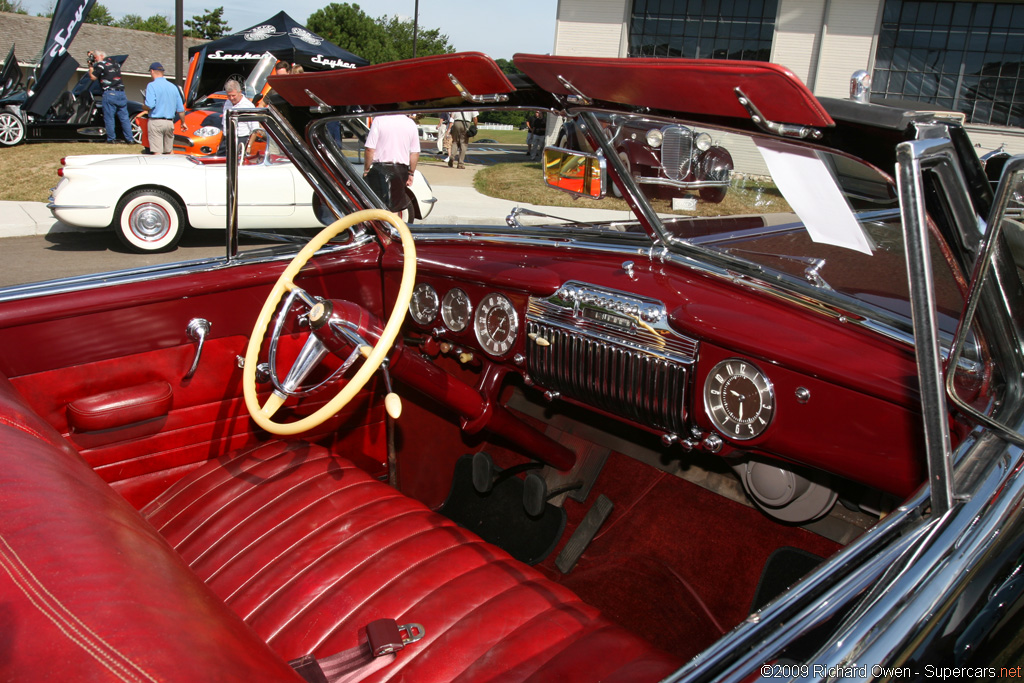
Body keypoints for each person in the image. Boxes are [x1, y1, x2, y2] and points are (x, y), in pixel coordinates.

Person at [362, 114, 420, 214]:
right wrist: (411, 172)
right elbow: (415, 152)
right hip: (401, 169)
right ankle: (392, 227)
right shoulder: (411, 124)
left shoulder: (379, 120)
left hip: (380, 168)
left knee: (376, 206)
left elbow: (370, 149)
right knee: (394, 208)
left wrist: (366, 169)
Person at [88, 50, 134, 144]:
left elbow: (93, 77)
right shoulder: (115, 63)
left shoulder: (101, 65)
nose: (96, 60)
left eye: (96, 57)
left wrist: (90, 66)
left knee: (109, 117)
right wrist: (92, 55)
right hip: (121, 93)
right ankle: (130, 139)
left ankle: (111, 139)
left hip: (110, 93)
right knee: (124, 118)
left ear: (101, 56)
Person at [143, 62, 184, 155]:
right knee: (169, 151)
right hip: (169, 122)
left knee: (157, 152)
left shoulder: (152, 85)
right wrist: (183, 122)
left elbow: (150, 105)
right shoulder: (173, 87)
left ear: (152, 71)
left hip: (156, 121)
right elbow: (181, 109)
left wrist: (143, 106)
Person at [222, 79, 259, 151]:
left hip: (241, 139)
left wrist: (249, 146)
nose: (231, 98)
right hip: (227, 139)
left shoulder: (248, 106)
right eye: (229, 96)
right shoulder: (227, 103)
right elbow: (224, 124)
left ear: (240, 92)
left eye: (233, 95)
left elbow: (255, 129)